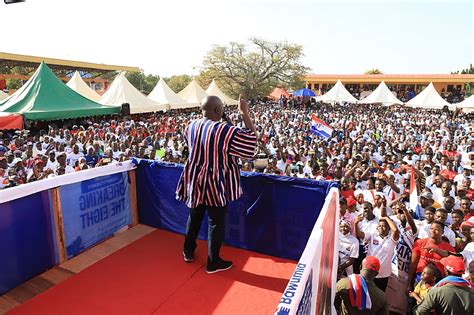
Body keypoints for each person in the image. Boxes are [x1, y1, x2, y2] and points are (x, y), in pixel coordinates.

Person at [176, 96, 257, 274]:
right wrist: (244, 113)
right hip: (215, 182)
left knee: (194, 216)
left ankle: (188, 251)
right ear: (218, 110)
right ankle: (213, 262)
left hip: (195, 179)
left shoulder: (191, 125)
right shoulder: (225, 130)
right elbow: (251, 144)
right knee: (216, 222)